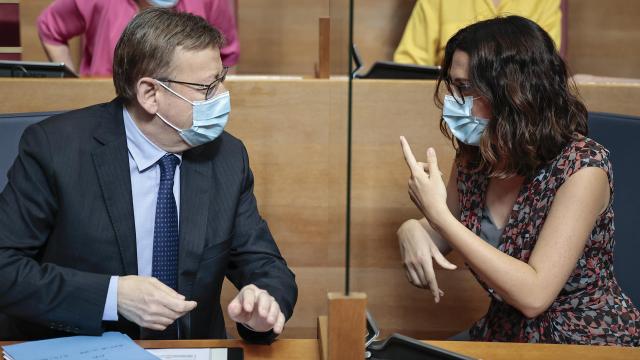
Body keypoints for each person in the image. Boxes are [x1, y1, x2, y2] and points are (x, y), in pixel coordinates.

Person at [0, 8, 296, 343]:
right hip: (80, 348)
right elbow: (5, 268)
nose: (222, 96)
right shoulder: (55, 149)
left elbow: (268, 268)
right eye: (205, 87)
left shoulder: (226, 156)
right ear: (149, 94)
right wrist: (113, 296)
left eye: (221, 79)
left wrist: (264, 304)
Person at [397, 15, 639, 345]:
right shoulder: (475, 157)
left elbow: (534, 295)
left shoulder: (583, 167)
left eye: (466, 88)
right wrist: (412, 228)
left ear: (513, 92)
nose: (454, 100)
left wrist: (437, 217)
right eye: (453, 86)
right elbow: (443, 232)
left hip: (583, 342)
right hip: (505, 335)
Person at [37, 0, 239, 76]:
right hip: (104, 106)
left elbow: (227, 55)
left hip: (182, 110)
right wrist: (73, 87)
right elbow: (50, 27)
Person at [394, 0, 561, 67]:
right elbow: (408, 67)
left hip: (517, 109)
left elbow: (543, 65)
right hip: (452, 107)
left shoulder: (545, 2)